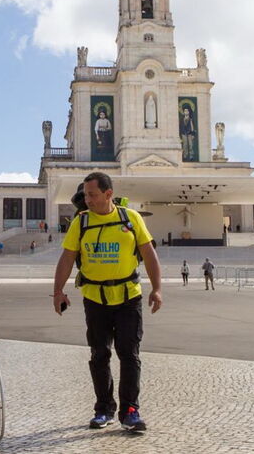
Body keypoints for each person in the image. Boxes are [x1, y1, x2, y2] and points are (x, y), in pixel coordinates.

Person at [52, 172, 161, 433]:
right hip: (95, 299)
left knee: (129, 354)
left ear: (108, 193)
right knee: (99, 355)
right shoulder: (81, 222)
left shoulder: (130, 218)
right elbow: (67, 258)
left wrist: (157, 289)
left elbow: (149, 254)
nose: (87, 200)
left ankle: (130, 411)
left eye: (92, 195)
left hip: (128, 297)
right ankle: (103, 409)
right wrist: (58, 291)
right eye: (85, 195)